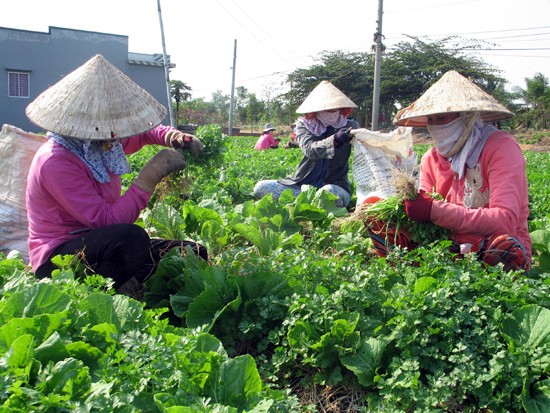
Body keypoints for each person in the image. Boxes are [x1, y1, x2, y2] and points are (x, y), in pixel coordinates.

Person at [24, 54, 207, 294]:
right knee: (131, 240)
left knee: (193, 253)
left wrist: (174, 137)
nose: (117, 136)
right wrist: (149, 176)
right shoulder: (56, 161)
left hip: (101, 244)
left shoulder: (100, 143)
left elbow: (143, 134)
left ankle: (121, 281)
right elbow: (107, 221)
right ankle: (102, 290)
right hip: (59, 258)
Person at [367, 70, 531, 272]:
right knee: (374, 212)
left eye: (441, 118)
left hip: (484, 246)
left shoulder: (501, 148)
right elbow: (424, 207)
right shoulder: (431, 158)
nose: (434, 126)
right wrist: (410, 208)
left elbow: (505, 220)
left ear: (466, 116)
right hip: (444, 248)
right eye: (431, 120)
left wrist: (435, 210)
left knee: (506, 248)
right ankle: (416, 266)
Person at [253, 80, 358, 208]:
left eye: (333, 108)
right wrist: (335, 140)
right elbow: (309, 149)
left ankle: (306, 204)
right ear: (315, 109)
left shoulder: (349, 126)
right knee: (261, 188)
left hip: (336, 186)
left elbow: (368, 146)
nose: (330, 111)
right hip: (303, 186)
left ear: (341, 108)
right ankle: (309, 203)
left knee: (327, 193)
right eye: (325, 108)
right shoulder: (304, 126)